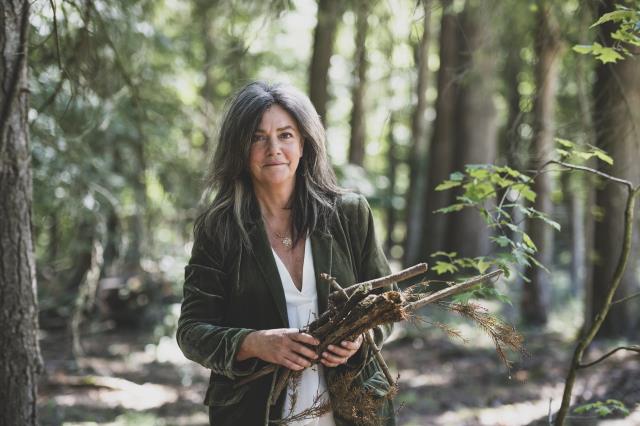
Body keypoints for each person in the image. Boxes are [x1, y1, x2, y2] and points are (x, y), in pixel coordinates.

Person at [177, 81, 396, 426]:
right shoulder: (218, 229)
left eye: (285, 135)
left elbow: (387, 305)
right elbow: (191, 332)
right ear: (239, 147)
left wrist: (360, 337)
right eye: (257, 137)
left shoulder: (349, 215)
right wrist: (253, 343)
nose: (273, 148)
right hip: (254, 413)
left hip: (352, 411)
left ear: (305, 142)